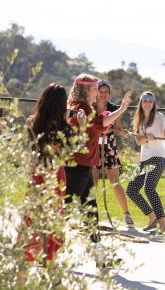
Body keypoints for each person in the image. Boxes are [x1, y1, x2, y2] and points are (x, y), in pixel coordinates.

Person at [65, 73, 131, 246]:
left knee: (90, 213)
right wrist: (122, 109)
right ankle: (45, 248)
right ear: (86, 89)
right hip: (78, 165)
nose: (97, 92)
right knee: (66, 209)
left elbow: (96, 126)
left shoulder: (82, 106)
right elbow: (98, 125)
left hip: (83, 164)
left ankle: (100, 257)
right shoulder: (82, 107)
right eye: (95, 88)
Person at [23, 83, 79, 262]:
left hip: (36, 173)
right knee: (53, 215)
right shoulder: (66, 128)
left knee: (32, 214)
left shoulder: (32, 121)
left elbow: (29, 149)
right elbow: (71, 155)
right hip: (55, 175)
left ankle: (28, 254)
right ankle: (49, 258)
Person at [92, 81, 135, 231]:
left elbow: (118, 128)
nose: (103, 94)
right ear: (96, 91)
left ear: (109, 94)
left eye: (106, 92)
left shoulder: (113, 108)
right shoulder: (90, 107)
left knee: (115, 181)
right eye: (100, 91)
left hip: (109, 145)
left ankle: (127, 214)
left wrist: (122, 131)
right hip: (93, 146)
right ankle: (90, 215)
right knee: (93, 181)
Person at [127, 91, 165, 233]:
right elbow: (138, 141)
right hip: (144, 158)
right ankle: (152, 218)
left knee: (149, 188)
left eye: (150, 101)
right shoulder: (138, 119)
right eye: (145, 100)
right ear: (141, 103)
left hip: (159, 156)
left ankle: (163, 223)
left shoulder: (159, 117)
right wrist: (146, 137)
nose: (147, 103)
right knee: (131, 190)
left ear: (153, 104)